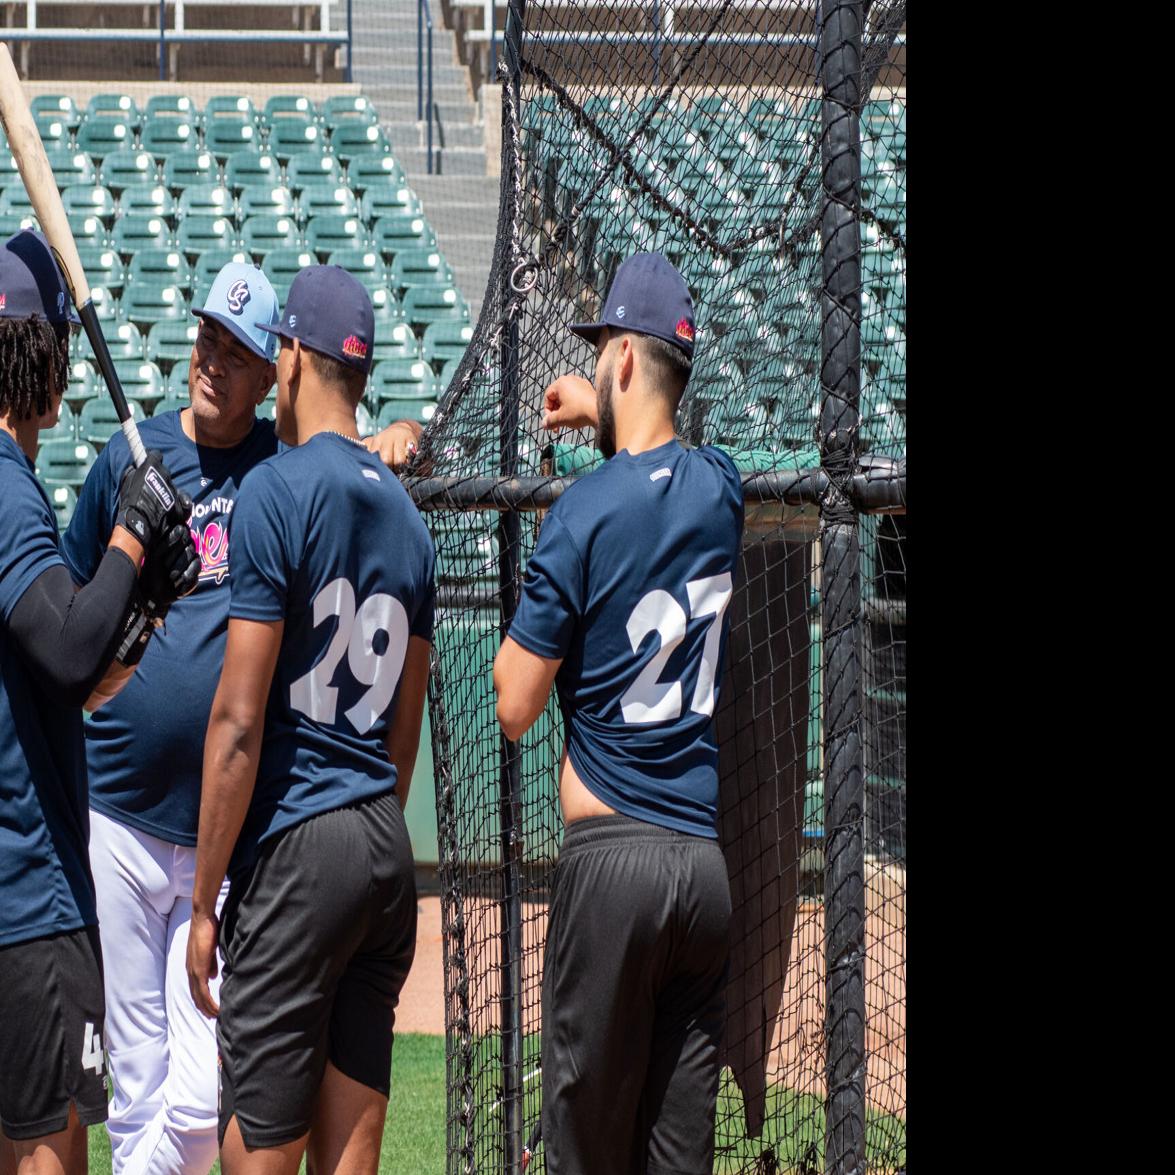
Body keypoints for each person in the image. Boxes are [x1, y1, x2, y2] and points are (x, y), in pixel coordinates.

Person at [59, 261, 427, 1175]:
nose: (213, 362)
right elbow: (68, 617)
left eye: (240, 351)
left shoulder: (278, 472)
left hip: (235, 833)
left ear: (279, 371)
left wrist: (399, 433)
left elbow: (348, 456)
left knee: (200, 1103)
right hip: (121, 805)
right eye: (205, 341)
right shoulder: (132, 457)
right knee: (140, 1084)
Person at [493, 252, 745, 1175]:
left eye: (603, 349)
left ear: (627, 358)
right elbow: (666, 454)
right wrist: (603, 408)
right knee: (675, 1159)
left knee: (583, 1155)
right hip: (701, 874)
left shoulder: (583, 510)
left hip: (614, 870)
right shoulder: (721, 490)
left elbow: (515, 705)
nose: (596, 363)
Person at [186, 265, 435, 1174]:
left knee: (256, 1152)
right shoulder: (409, 523)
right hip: (380, 843)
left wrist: (207, 900)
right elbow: (403, 732)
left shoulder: (275, 491)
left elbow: (239, 725)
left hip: (297, 847)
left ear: (288, 360)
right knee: (352, 1148)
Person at [0, 230, 195, 1171]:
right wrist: (131, 527)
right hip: (27, 904)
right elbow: (73, 652)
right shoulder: (5, 491)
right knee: (48, 1150)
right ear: (41, 356)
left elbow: (70, 672)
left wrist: (145, 592)